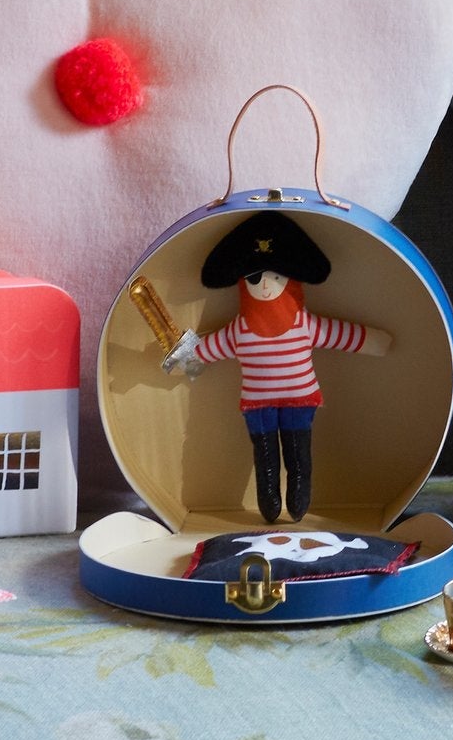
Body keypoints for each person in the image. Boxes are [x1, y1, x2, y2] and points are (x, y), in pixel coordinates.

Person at [166, 210, 391, 524]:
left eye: (276, 277)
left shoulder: (303, 325)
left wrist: (375, 342)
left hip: (299, 400)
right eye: (254, 278)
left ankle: (297, 501)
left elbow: (340, 334)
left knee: (299, 453)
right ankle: (269, 505)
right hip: (258, 405)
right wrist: (178, 356)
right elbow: (206, 350)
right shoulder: (239, 331)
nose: (265, 286)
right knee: (265, 456)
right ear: (243, 283)